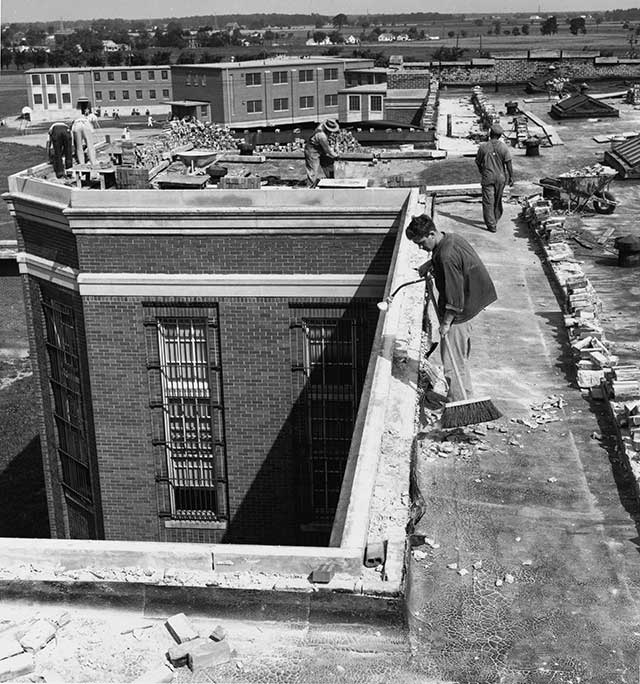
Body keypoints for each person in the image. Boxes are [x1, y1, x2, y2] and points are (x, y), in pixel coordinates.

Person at [406, 214, 497, 402]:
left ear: (431, 233)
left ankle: (460, 403)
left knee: (451, 361)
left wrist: (446, 323)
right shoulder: (451, 239)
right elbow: (451, 259)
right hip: (474, 301)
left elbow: (455, 301)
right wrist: (431, 263)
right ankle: (462, 395)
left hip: (460, 311)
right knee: (459, 357)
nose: (421, 248)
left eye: (421, 243)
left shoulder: (446, 257)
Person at [475, 123, 513, 233]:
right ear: (500, 136)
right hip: (501, 177)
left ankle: (491, 225)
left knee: (488, 201)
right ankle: (495, 219)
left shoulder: (483, 147)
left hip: (488, 177)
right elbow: (508, 163)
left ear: (490, 134)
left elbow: (478, 162)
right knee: (497, 199)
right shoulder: (503, 147)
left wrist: (482, 171)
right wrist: (511, 177)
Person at [304, 119, 340, 187]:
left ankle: (331, 182)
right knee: (313, 169)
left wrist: (336, 147)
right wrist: (336, 155)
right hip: (312, 149)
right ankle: (311, 187)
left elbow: (336, 137)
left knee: (328, 163)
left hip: (321, 146)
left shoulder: (326, 125)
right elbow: (328, 150)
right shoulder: (321, 135)